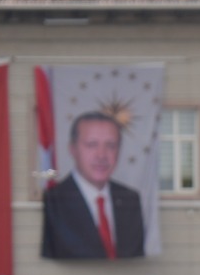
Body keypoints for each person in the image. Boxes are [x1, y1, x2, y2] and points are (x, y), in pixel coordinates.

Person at [41, 111, 146, 260]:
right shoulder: (54, 201)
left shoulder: (130, 199)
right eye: (92, 144)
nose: (101, 155)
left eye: (111, 145)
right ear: (73, 149)